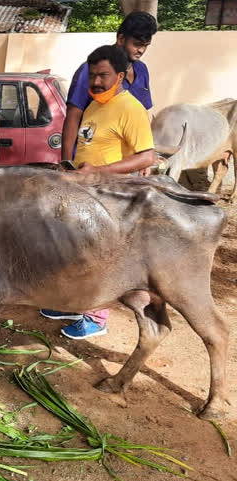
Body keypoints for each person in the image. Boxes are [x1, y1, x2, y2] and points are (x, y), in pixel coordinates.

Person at [41, 45, 156, 339]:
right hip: (85, 196)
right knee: (75, 255)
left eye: (103, 75)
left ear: (119, 76)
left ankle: (96, 317)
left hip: (113, 200)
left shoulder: (131, 109)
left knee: (102, 260)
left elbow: (147, 157)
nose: (96, 82)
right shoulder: (93, 106)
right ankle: (72, 305)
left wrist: (98, 172)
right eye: (92, 75)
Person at [61, 11, 157, 162]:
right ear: (121, 39)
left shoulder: (141, 70)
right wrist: (66, 165)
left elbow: (143, 115)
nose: (141, 50)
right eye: (137, 44)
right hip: (88, 164)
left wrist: (145, 154)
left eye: (146, 46)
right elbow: (73, 118)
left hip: (127, 167)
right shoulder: (91, 71)